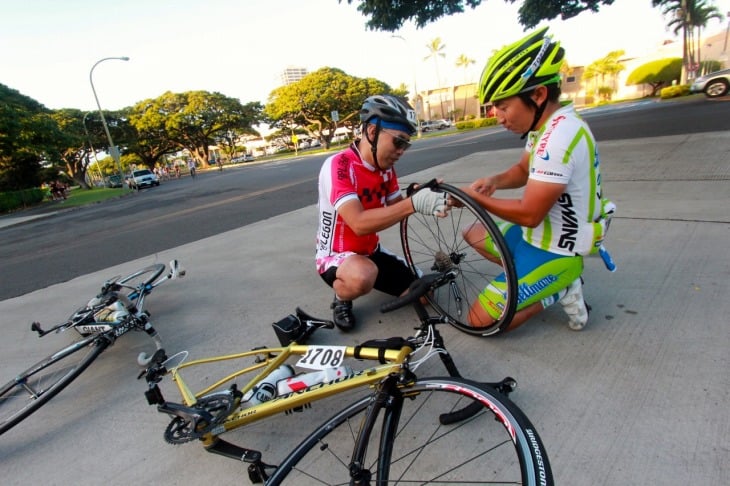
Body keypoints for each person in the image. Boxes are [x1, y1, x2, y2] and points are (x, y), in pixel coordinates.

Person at [460, 27, 614, 333]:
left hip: (556, 249)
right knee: (474, 233)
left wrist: (476, 198)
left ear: (538, 94)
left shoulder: (560, 136)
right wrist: (493, 181)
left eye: (503, 106)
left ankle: (561, 287)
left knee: (479, 322)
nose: (497, 116)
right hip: (537, 235)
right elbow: (521, 171)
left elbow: (530, 214)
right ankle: (526, 279)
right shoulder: (546, 126)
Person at [315, 94, 449, 331]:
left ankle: (372, 272)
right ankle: (342, 298)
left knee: (423, 295)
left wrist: (424, 195)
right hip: (336, 255)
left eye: (406, 145)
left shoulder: (385, 169)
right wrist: (414, 203)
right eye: (398, 142)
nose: (401, 151)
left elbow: (397, 206)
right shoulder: (340, 166)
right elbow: (358, 223)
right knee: (362, 275)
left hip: (371, 252)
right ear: (372, 132)